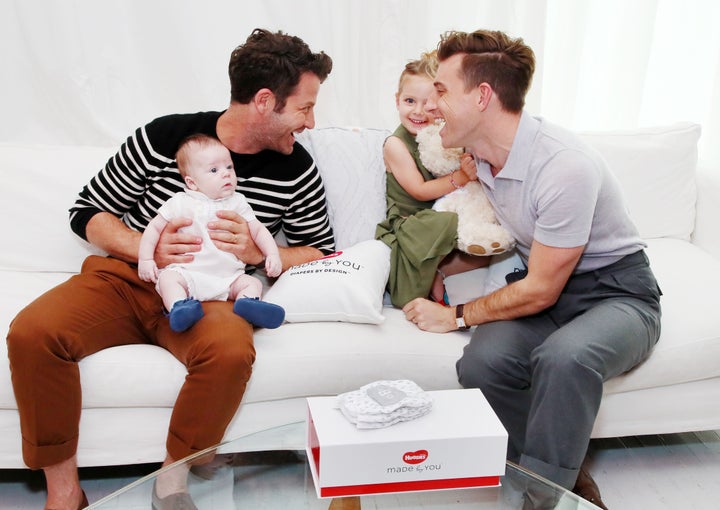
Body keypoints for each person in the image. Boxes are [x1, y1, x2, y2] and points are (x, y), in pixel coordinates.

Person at [6, 28, 333, 510]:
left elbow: (322, 251)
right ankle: (64, 493)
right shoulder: (164, 136)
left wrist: (257, 254)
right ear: (265, 101)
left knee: (228, 352)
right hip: (126, 281)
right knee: (32, 333)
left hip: (212, 295)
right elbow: (87, 212)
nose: (309, 121)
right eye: (304, 107)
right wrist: (147, 248)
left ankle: (171, 482)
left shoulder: (296, 168)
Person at [403, 29, 662, 509]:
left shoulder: (564, 165)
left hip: (617, 294)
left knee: (565, 358)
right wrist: (433, 271)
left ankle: (546, 499)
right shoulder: (480, 157)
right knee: (482, 362)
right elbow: (505, 245)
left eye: (441, 90)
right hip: (546, 289)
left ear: (482, 96)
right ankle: (563, 475)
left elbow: (541, 289)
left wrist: (457, 315)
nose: (432, 103)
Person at [375, 50, 488, 308]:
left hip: (436, 217)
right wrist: (460, 177)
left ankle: (438, 272)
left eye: (427, 103)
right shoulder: (395, 143)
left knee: (481, 234)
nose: (418, 111)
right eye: (409, 101)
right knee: (447, 222)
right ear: (397, 100)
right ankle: (424, 275)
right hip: (409, 223)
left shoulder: (442, 137)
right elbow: (419, 190)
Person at [138, 133, 285, 332]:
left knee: (251, 282)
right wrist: (146, 259)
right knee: (168, 280)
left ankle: (247, 304)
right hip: (188, 274)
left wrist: (272, 254)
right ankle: (180, 308)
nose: (226, 174)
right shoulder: (180, 202)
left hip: (228, 277)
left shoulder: (238, 202)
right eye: (214, 170)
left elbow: (258, 230)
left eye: (229, 167)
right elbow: (153, 229)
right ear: (192, 183)